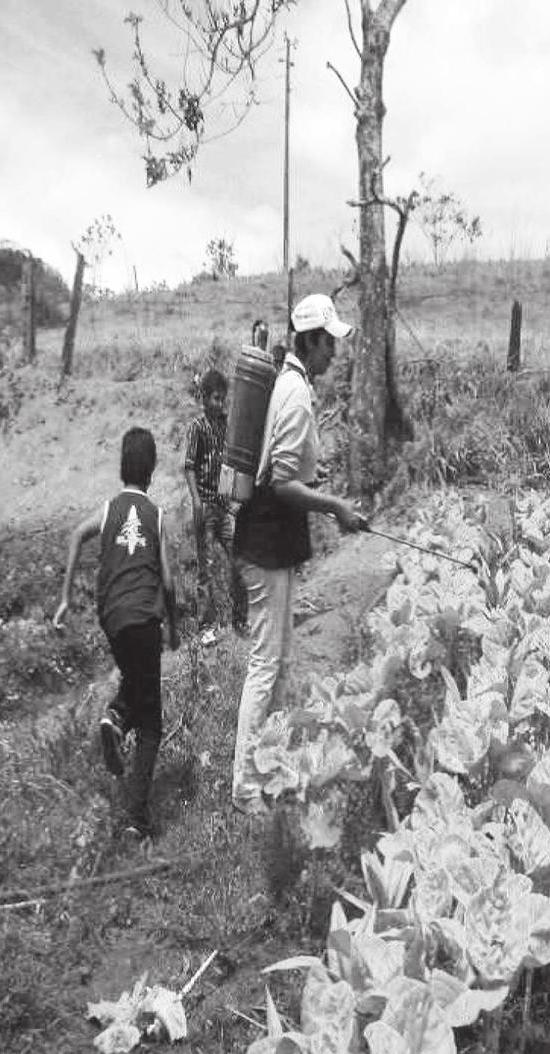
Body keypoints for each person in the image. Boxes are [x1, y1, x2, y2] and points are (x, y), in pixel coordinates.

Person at [231, 293, 365, 814]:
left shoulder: (292, 384)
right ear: (309, 340)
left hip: (272, 538)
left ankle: (265, 768)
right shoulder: (294, 392)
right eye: (328, 341)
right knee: (266, 664)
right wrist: (333, 506)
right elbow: (282, 483)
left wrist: (316, 482)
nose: (334, 352)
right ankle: (244, 787)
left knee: (277, 658)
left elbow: (284, 466)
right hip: (266, 538)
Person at [54, 426, 180, 839]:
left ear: (123, 466)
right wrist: (174, 627)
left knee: (135, 681)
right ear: (152, 469)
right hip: (144, 618)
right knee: (153, 724)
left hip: (111, 618)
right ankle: (136, 820)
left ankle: (114, 718)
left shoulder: (107, 509)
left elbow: (75, 535)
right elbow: (169, 582)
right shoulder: (157, 516)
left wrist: (66, 599)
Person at [183, 367, 247, 644]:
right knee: (206, 566)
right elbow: (188, 468)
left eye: (223, 399)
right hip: (206, 507)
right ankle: (206, 627)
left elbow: (230, 463)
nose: (220, 404)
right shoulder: (197, 428)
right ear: (204, 398)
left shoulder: (225, 425)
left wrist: (233, 499)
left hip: (223, 505)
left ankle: (240, 618)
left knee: (240, 558)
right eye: (215, 399)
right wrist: (197, 502)